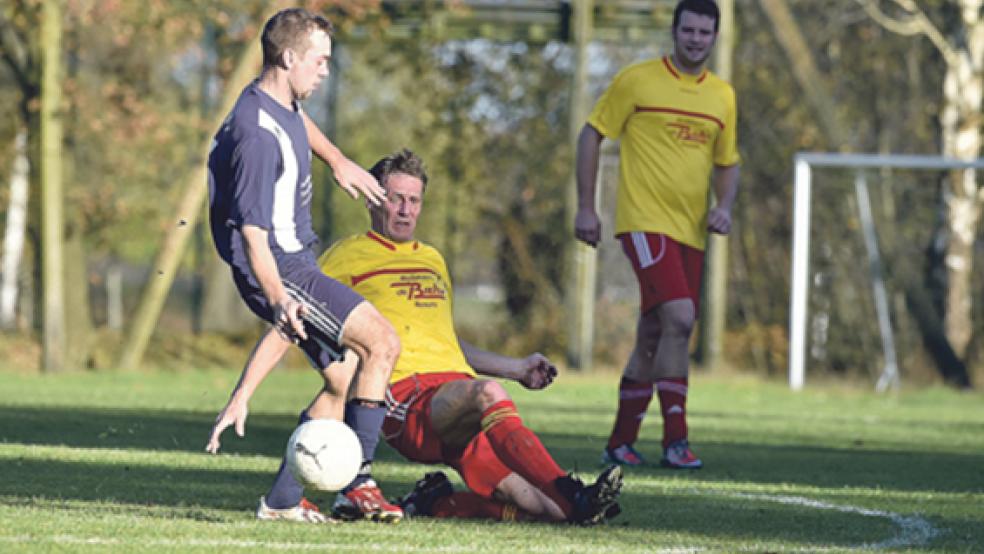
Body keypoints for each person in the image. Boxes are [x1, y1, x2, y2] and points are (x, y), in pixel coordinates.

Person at [210, 149, 623, 526]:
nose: (406, 211)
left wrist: (516, 367)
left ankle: (433, 504)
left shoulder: (432, 259)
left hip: (459, 397)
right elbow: (293, 312)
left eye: (415, 200)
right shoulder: (347, 256)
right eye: (395, 199)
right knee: (491, 398)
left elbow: (446, 343)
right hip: (406, 401)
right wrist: (245, 390)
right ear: (373, 199)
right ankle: (573, 491)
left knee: (544, 511)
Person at [205, 8, 404, 523]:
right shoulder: (253, 135)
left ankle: (282, 501)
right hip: (283, 267)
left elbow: (299, 123)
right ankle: (356, 483)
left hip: (293, 263)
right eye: (320, 60)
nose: (325, 71)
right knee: (382, 343)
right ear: (289, 57)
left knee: (344, 378)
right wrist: (278, 298)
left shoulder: (277, 101)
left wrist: (337, 160)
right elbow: (251, 234)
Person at [573, 0, 741, 469]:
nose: (695, 39)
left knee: (655, 331)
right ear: (674, 31)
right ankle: (676, 441)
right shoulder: (638, 80)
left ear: (715, 37)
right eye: (688, 30)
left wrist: (723, 208)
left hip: (691, 232)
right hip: (644, 223)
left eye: (704, 33)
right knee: (682, 318)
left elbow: (729, 162)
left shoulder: (723, 96)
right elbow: (591, 134)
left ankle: (620, 442)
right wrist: (586, 207)